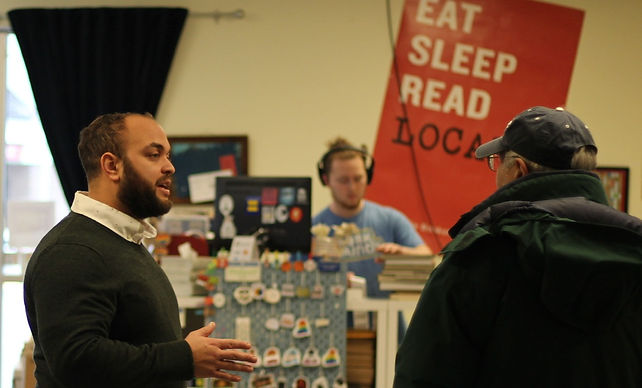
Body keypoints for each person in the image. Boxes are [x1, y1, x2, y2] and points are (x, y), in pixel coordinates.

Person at [394, 106, 642, 387]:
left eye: (497, 163)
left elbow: (426, 373)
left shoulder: (483, 252)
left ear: (518, 171)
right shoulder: (634, 248)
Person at [24, 113, 257, 388]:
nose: (169, 167)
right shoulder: (72, 250)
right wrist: (183, 357)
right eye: (154, 155)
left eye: (168, 156)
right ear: (112, 166)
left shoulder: (123, 241)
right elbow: (76, 359)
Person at [313, 137, 432, 298]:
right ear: (326, 180)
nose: (352, 187)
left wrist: (403, 253)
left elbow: (428, 259)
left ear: (368, 176)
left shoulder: (390, 219)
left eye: (358, 178)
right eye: (343, 180)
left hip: (388, 321)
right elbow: (295, 278)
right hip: (335, 321)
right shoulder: (314, 228)